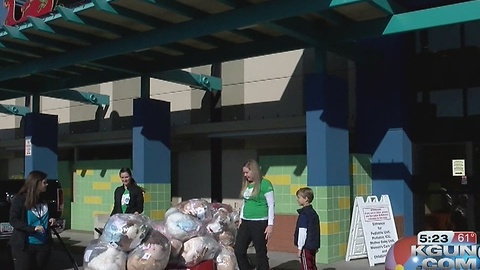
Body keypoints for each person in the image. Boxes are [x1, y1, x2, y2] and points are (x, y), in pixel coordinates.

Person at [9, 170, 56, 270]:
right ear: (36, 183)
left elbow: (46, 216)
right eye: (44, 182)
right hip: (25, 246)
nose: (47, 184)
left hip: (43, 245)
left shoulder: (44, 200)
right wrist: (32, 228)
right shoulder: (20, 200)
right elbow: (14, 220)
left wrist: (51, 220)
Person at [234, 159, 274, 270]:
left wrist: (270, 225)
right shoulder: (247, 185)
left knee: (260, 252)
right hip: (246, 222)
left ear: (254, 171)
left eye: (247, 172)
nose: (245, 175)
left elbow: (271, 205)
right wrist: (241, 218)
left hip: (260, 222)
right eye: (244, 173)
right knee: (239, 250)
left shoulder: (265, 184)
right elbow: (245, 203)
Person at [294, 187, 320, 270]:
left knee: (306, 266)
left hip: (306, 246)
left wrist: (300, 248)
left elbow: (302, 232)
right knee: (312, 265)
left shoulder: (304, 215)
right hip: (313, 245)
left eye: (299, 197)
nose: (297, 200)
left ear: (306, 199)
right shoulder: (313, 213)